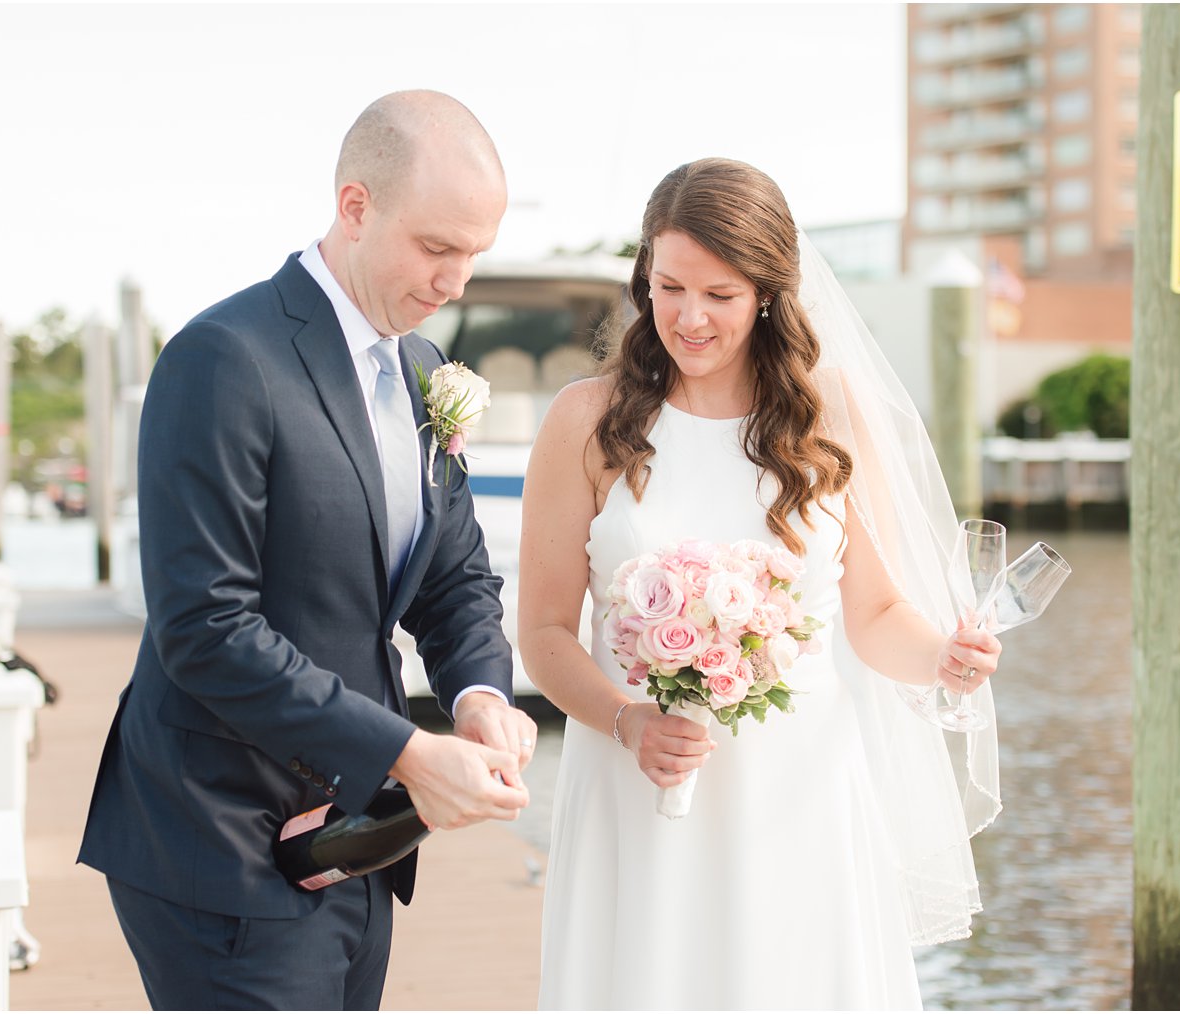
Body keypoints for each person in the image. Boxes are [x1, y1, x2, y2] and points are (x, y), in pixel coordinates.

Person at [78, 90, 537, 1011]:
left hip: (355, 841)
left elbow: (454, 578)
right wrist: (409, 751)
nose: (456, 283)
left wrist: (480, 693)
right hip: (219, 840)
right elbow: (204, 626)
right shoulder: (222, 357)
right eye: (437, 248)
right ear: (355, 205)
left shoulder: (419, 369)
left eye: (474, 254)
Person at [519, 157, 1004, 1009]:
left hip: (802, 788)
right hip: (639, 783)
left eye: (720, 294)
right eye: (668, 286)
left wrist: (943, 658)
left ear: (769, 295)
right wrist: (629, 721)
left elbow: (879, 612)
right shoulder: (585, 420)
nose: (688, 317)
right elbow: (547, 633)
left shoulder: (834, 413)